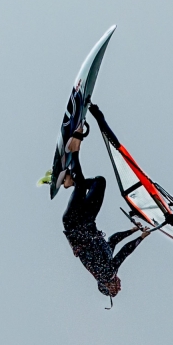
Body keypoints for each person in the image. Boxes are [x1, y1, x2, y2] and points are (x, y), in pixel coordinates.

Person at [59, 103, 149, 303]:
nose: (119, 285)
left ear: (106, 285)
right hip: (88, 220)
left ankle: (75, 148)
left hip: (74, 223)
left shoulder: (105, 274)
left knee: (83, 186)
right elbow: (114, 241)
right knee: (99, 183)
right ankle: (71, 180)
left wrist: (141, 238)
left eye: (115, 289)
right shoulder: (105, 262)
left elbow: (124, 253)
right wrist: (132, 231)